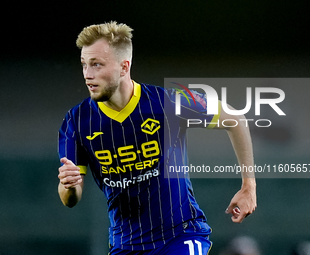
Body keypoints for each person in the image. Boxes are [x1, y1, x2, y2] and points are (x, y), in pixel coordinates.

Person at [57, 21, 257, 255]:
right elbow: (69, 198)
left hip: (179, 236)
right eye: (84, 65)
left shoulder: (167, 102)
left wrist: (248, 185)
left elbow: (235, 119)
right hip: (126, 245)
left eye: (97, 65)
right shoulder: (76, 121)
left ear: (124, 67)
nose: (87, 75)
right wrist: (68, 186)